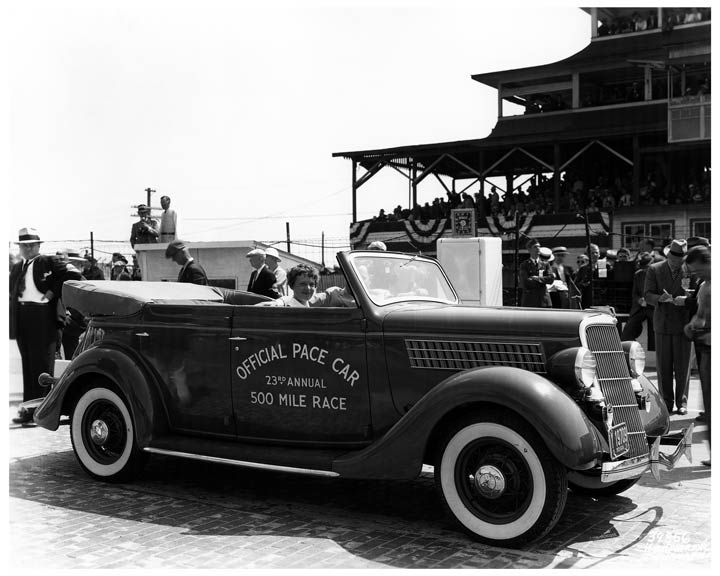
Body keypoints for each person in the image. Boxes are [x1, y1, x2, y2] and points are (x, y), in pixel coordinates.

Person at [9, 227, 83, 423]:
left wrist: (52, 292)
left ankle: (41, 411)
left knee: (42, 365)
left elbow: (73, 275)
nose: (27, 249)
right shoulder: (17, 268)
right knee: (28, 365)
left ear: (38, 246)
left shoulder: (48, 262)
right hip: (23, 317)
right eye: (24, 246)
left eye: (31, 245)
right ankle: (29, 409)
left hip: (43, 317)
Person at [644, 239, 691, 415]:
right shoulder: (654, 269)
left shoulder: (690, 270)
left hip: (684, 324)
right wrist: (659, 299)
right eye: (673, 260)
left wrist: (686, 300)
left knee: (682, 366)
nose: (676, 264)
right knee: (663, 367)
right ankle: (666, 402)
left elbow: (696, 296)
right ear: (668, 256)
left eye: (679, 261)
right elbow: (647, 295)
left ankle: (682, 402)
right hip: (663, 323)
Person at [683, 246, 710, 466]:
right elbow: (700, 317)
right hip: (706, 349)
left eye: (699, 270)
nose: (696, 276)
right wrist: (692, 325)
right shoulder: (705, 286)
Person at [620, 252, 655, 351]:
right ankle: (630, 348)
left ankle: (655, 349)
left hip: (653, 306)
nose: (645, 270)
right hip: (640, 307)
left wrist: (650, 299)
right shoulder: (638, 274)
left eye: (647, 267)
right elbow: (634, 293)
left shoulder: (658, 274)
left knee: (656, 327)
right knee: (628, 331)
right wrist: (639, 300)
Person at [518, 239, 554, 307]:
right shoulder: (524, 265)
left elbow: (551, 279)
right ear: (529, 249)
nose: (538, 249)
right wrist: (543, 282)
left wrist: (538, 279)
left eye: (539, 247)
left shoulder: (545, 264)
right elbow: (526, 282)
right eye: (535, 247)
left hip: (544, 300)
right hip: (530, 300)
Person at [574, 243, 601, 308]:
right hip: (588, 300)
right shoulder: (583, 268)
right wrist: (583, 284)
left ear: (599, 254)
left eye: (596, 253)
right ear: (587, 255)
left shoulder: (605, 266)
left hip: (601, 300)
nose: (594, 255)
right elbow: (576, 284)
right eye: (592, 253)